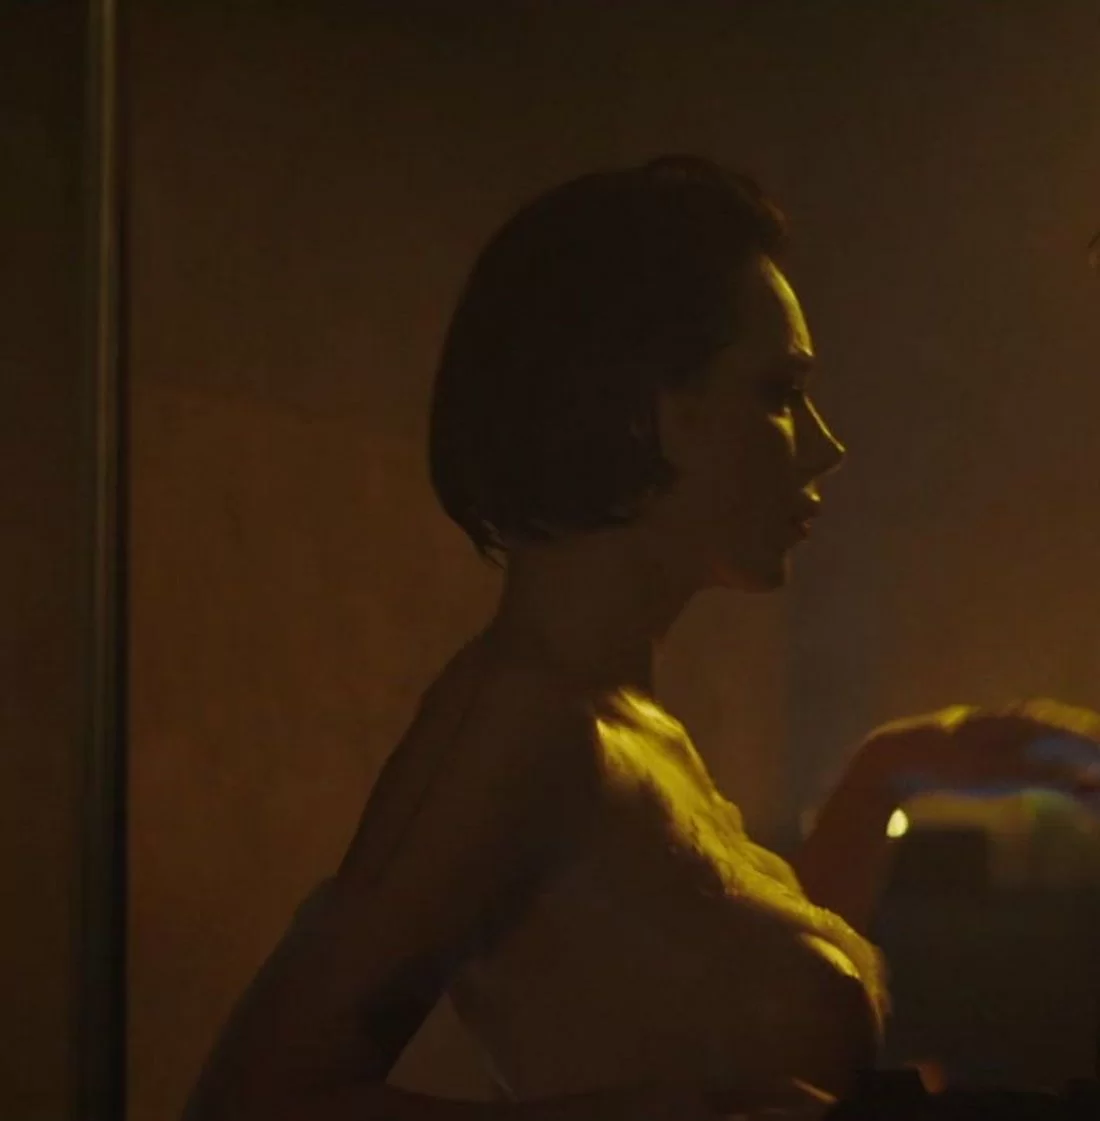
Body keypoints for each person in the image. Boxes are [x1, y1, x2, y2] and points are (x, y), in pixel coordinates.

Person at [180, 156, 1100, 1121]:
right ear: (649, 411)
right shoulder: (518, 724)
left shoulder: (626, 721)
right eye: (779, 391)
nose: (825, 444)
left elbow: (749, 1026)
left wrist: (889, 773)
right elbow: (252, 1101)